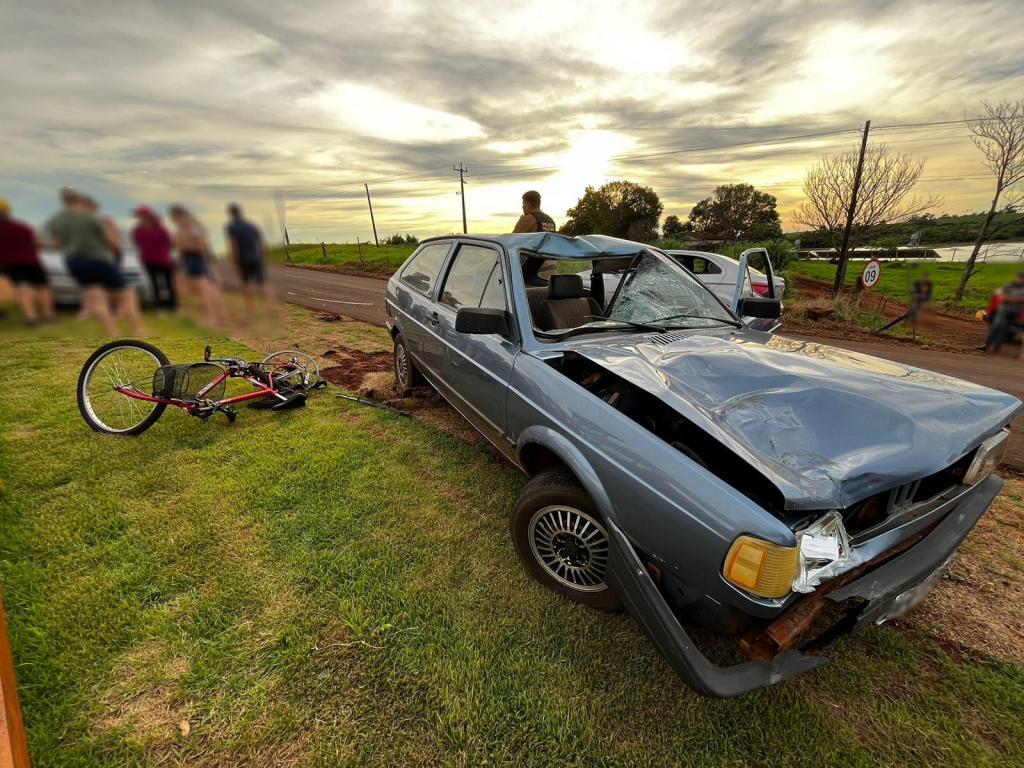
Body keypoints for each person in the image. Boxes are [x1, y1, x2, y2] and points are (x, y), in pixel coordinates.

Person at [45, 187, 143, 336]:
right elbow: (111, 242)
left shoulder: (55, 220)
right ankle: (138, 330)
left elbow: (57, 244)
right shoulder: (90, 218)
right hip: (98, 260)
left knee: (96, 298)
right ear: (79, 200)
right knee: (128, 294)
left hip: (73, 262)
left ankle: (113, 333)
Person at [0, 197, 55, 324]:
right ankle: (49, 315)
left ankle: (31, 317)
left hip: (10, 263)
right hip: (31, 260)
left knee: (22, 288)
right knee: (43, 287)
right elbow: (39, 242)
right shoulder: (21, 226)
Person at [168, 204, 226, 325]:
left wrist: (182, 245)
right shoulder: (186, 226)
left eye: (172, 217)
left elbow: (200, 245)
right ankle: (220, 315)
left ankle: (214, 318)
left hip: (198, 258)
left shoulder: (192, 226)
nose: (172, 220)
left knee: (206, 289)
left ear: (178, 215)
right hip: (193, 258)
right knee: (207, 288)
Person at [225, 203, 276, 313]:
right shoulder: (252, 226)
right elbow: (263, 244)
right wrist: (263, 258)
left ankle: (251, 308)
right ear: (240, 212)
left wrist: (234, 261)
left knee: (246, 282)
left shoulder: (232, 227)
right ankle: (271, 306)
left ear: (231, 214)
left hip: (243, 258)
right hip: (256, 257)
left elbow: (233, 245)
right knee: (263, 282)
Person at [132, 206, 177, 312]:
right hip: (148, 260)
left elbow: (170, 242)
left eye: (141, 216)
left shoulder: (161, 229)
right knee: (154, 284)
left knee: (168, 283)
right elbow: (137, 243)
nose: (139, 218)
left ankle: (173, 306)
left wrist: (165, 250)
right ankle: (160, 307)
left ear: (148, 216)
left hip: (163, 259)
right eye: (138, 216)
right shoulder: (137, 230)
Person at [985, 271, 1024, 357]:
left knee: (1005, 330)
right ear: (1018, 278)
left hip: (1016, 312)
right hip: (1004, 309)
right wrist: (1018, 299)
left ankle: (996, 348)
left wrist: (1012, 298)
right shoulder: (1009, 286)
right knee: (996, 327)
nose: (1022, 280)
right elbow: (1003, 298)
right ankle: (986, 345)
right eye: (1021, 278)